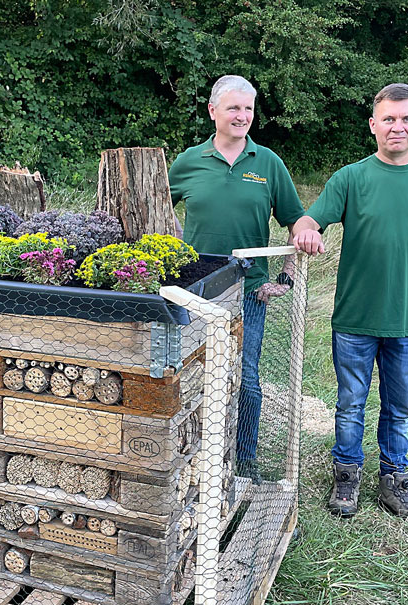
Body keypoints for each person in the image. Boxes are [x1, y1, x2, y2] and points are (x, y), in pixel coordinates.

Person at [292, 83, 408, 522]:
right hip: (354, 319)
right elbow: (312, 218)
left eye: (406, 118)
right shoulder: (351, 178)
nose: (397, 126)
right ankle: (346, 476)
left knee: (399, 407)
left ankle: (395, 482)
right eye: (388, 118)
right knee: (351, 402)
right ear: (373, 124)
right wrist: (307, 230)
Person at [168, 75, 305, 480]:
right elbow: (156, 205)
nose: (241, 116)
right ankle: (192, 459)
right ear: (213, 112)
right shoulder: (189, 161)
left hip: (248, 292)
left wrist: (286, 277)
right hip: (195, 292)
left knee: (245, 379)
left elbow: (298, 223)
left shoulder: (268, 164)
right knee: (190, 374)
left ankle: (244, 460)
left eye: (247, 109)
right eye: (233, 108)